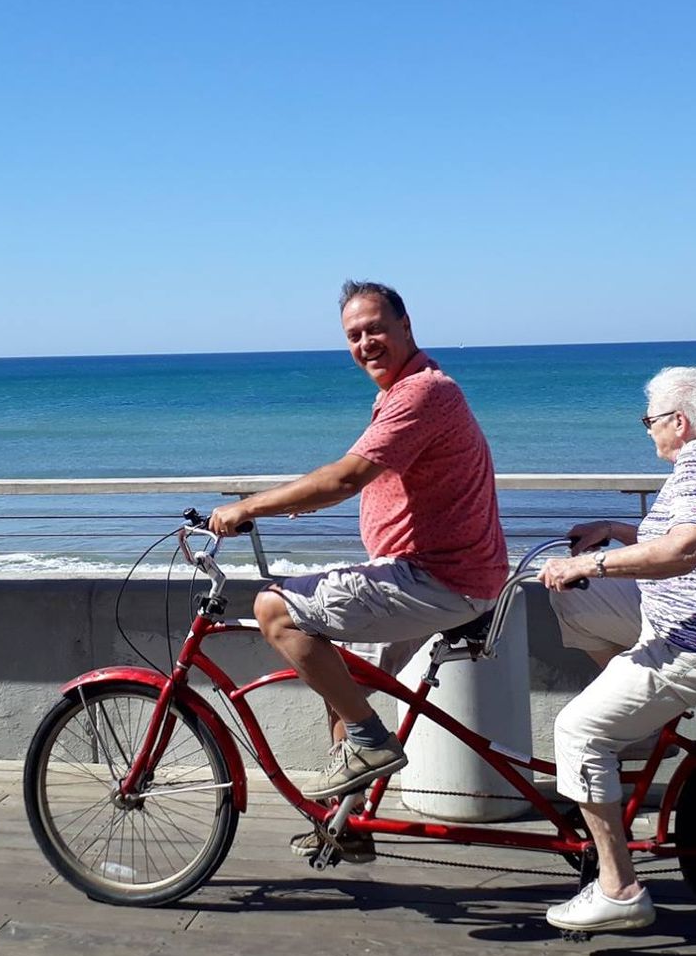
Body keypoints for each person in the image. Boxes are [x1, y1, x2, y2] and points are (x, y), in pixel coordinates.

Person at [209, 281, 508, 858]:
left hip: (433, 579)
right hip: (441, 575)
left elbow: (346, 477)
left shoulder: (423, 393)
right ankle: (347, 828)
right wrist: (296, 500)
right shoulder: (410, 390)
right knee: (340, 678)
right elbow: (358, 476)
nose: (366, 342)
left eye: (375, 328)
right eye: (354, 335)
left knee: (274, 608)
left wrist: (246, 506)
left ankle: (370, 744)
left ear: (406, 326)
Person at [537, 366, 696, 933]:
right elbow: (682, 536)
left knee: (578, 731)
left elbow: (687, 546)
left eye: (650, 420)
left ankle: (618, 890)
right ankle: (643, 726)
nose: (647, 431)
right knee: (576, 604)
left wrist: (588, 561)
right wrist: (618, 530)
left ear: (681, 421)